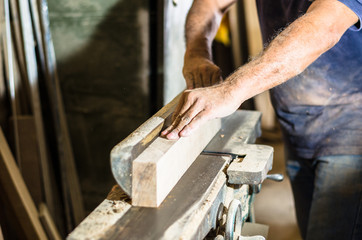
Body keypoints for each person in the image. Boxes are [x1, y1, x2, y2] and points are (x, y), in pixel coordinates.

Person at [161, 0, 362, 239]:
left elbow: (323, 27)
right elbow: (211, 2)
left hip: (352, 132)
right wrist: (196, 52)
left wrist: (231, 90)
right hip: (297, 128)